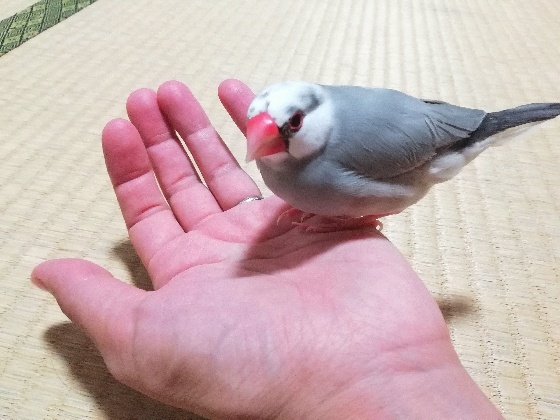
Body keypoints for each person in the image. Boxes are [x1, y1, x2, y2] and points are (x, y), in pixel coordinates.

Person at [31, 80, 503, 419]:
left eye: (290, 125)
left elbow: (399, 172)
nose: (263, 142)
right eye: (260, 128)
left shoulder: (348, 153)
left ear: (315, 117)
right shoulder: (286, 158)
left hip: (436, 147)